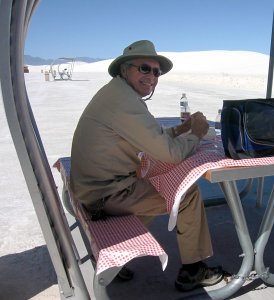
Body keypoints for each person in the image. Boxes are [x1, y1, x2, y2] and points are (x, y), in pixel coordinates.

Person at [70, 40, 226, 292]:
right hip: (104, 196)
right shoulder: (124, 103)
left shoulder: (117, 94)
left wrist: (182, 129)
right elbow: (171, 153)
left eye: (156, 71)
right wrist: (196, 134)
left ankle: (121, 257)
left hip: (92, 190)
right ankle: (193, 271)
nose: (152, 76)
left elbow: (151, 136)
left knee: (160, 182)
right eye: (144, 68)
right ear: (124, 69)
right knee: (185, 195)